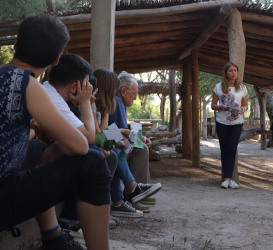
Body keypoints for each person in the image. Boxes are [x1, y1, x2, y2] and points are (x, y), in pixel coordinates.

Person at [0, 14, 110, 250]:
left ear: (15, 45)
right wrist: (61, 146)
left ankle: (55, 239)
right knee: (93, 160)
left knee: (38, 149)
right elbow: (81, 145)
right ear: (55, 59)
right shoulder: (27, 84)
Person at [108, 71, 161, 210]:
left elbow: (119, 130)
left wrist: (140, 138)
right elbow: (114, 134)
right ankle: (134, 194)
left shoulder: (118, 102)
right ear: (124, 91)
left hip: (111, 145)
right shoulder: (117, 101)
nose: (136, 98)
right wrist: (137, 140)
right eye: (134, 93)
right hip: (111, 147)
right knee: (141, 149)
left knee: (141, 146)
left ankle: (136, 193)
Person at [211, 62, 248, 189]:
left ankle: (229, 178)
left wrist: (242, 109)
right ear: (226, 73)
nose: (233, 73)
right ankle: (226, 179)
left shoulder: (242, 88)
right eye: (231, 71)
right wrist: (221, 107)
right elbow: (213, 105)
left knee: (232, 149)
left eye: (235, 71)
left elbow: (245, 105)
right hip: (222, 122)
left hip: (237, 122)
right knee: (224, 149)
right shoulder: (218, 87)